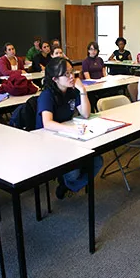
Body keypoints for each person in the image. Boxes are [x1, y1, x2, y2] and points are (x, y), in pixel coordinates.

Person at [36, 57, 103, 199]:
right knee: (74, 172)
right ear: (55, 79)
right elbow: (47, 123)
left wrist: (82, 90)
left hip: (68, 137)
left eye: (72, 72)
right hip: (49, 140)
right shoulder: (47, 95)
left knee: (97, 161)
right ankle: (68, 180)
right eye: (66, 74)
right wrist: (72, 130)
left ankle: (67, 185)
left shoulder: (71, 91)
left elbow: (85, 114)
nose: (72, 76)